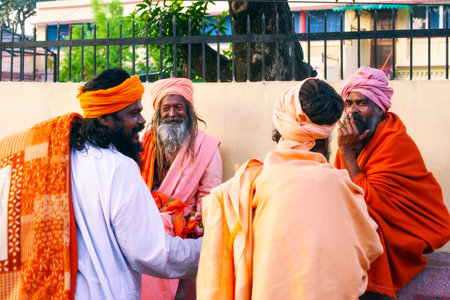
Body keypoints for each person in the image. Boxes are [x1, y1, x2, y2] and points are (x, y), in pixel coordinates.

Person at [196, 78, 383, 300]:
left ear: (281, 126)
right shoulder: (340, 184)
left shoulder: (253, 186)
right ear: (327, 136)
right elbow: (369, 245)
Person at [335, 66, 450, 299]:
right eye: (349, 103)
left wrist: (347, 154)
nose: (352, 110)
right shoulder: (349, 140)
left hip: (398, 235)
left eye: (362, 103)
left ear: (379, 108)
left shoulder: (394, 142)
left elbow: (371, 203)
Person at [140, 77, 222, 299]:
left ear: (189, 111)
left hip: (186, 234)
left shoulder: (207, 148)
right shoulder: (143, 143)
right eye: (166, 108)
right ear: (158, 112)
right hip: (147, 230)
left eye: (179, 107)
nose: (172, 114)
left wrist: (195, 226)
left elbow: (209, 198)